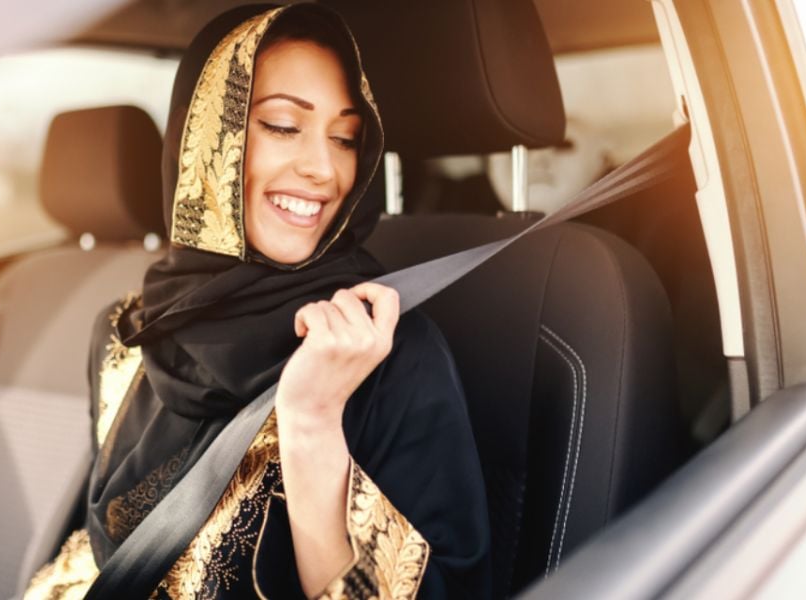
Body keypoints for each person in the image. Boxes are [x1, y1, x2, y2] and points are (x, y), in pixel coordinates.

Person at [24, 4, 489, 598]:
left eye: (345, 138)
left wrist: (314, 425)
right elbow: (96, 554)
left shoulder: (385, 351)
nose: (324, 168)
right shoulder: (126, 334)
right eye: (282, 126)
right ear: (203, 141)